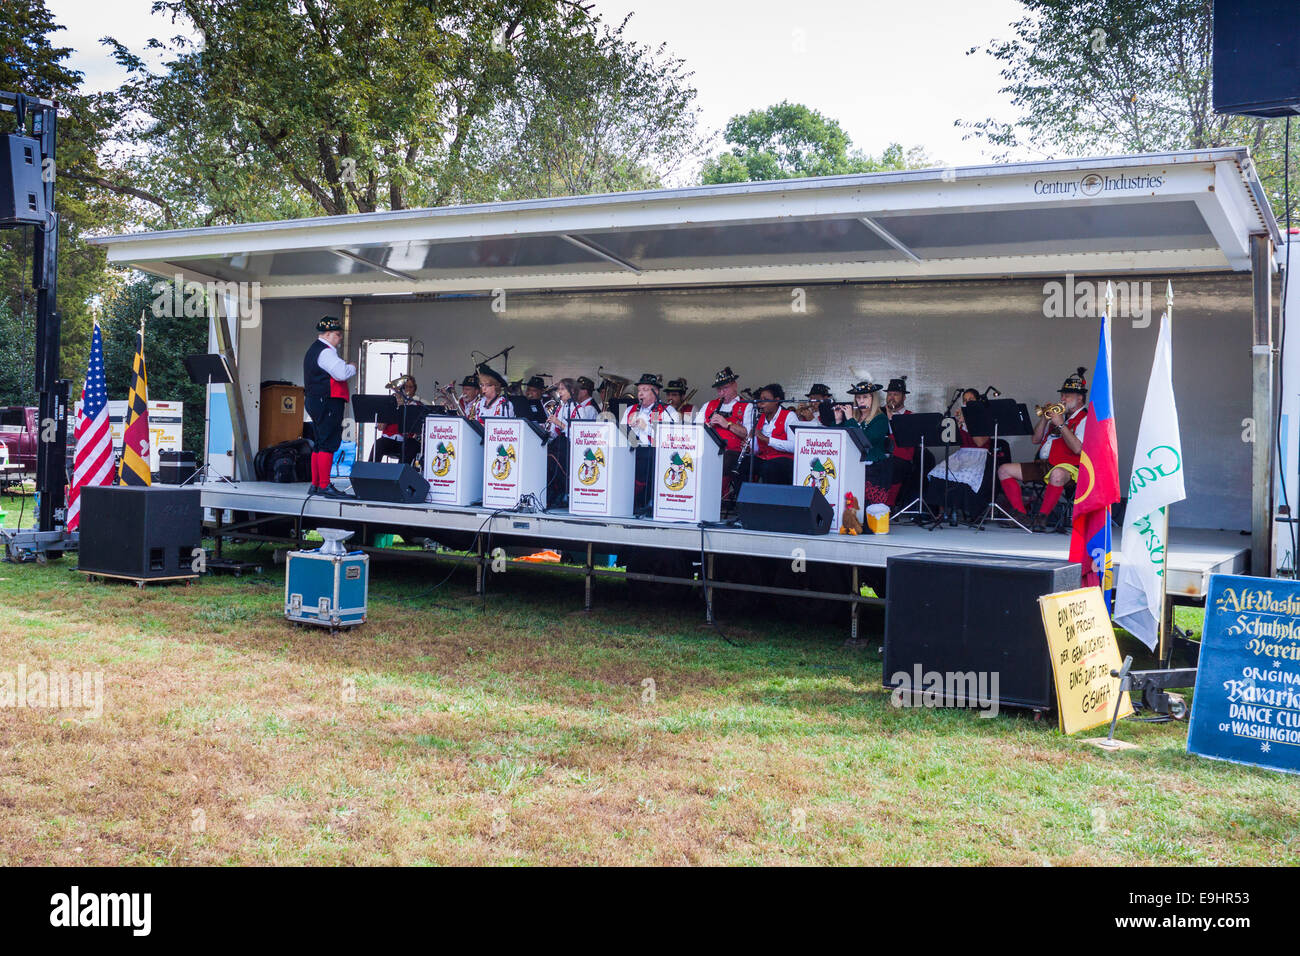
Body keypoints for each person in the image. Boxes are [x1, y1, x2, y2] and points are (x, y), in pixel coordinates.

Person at [997, 367, 1089, 530]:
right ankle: (1020, 515)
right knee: (1004, 469)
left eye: (1066, 395)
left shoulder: (1085, 418)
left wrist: (1060, 424)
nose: (1062, 399)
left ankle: (1042, 517)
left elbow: (1077, 449)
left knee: (1057, 474)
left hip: (1070, 467)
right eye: (1062, 395)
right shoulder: (1060, 416)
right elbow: (1035, 439)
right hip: (1044, 464)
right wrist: (1045, 419)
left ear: (1080, 398)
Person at [303, 316, 357, 497]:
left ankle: (316, 484)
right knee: (328, 442)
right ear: (327, 334)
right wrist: (352, 367)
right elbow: (341, 373)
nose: (340, 338)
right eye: (337, 334)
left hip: (316, 400)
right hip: (328, 400)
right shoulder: (326, 352)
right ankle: (324, 484)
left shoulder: (314, 350)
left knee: (320, 442)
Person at [924, 388, 992, 522]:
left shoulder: (985, 418)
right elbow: (953, 440)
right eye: (965, 400)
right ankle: (942, 512)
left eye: (970, 400)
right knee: (939, 471)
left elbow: (979, 442)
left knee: (967, 475)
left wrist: (967, 422)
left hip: (979, 455)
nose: (967, 403)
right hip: (963, 454)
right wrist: (956, 423)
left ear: (977, 401)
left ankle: (968, 510)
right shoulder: (962, 417)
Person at [695, 366, 754, 501]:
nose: (721, 393)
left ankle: (715, 498)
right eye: (719, 389)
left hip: (734, 453)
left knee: (724, 459)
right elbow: (695, 430)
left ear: (735, 385)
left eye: (725, 388)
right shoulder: (708, 405)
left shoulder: (747, 406)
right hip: (708, 451)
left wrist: (726, 424)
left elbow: (749, 434)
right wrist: (706, 427)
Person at [625, 373, 680, 512]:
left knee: (646, 458)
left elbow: (671, 437)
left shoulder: (668, 411)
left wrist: (645, 427)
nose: (640, 394)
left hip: (655, 452)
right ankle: (626, 499)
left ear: (656, 392)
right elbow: (620, 433)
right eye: (639, 390)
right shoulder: (629, 410)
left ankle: (646, 500)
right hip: (630, 450)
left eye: (645, 390)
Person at [836, 380, 893, 506]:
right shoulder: (855, 418)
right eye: (858, 397)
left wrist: (850, 419)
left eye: (865, 397)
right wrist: (838, 420)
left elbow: (866, 441)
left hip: (873, 469)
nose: (861, 401)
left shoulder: (880, 419)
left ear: (873, 399)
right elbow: (841, 440)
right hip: (854, 465)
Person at [372, 374, 423, 465]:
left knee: (412, 445)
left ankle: (400, 474)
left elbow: (416, 431)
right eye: (405, 387)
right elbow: (380, 427)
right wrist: (391, 409)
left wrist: (403, 408)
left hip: (405, 441)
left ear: (414, 389)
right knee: (379, 443)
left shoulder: (417, 406)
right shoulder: (390, 403)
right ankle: (370, 472)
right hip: (389, 440)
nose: (407, 389)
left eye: (410, 387)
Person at [753, 383, 795, 485]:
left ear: (776, 400)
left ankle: (771, 500)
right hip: (764, 458)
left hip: (785, 460)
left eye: (765, 399)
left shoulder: (789, 416)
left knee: (769, 467)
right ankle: (742, 498)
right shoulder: (760, 417)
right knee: (744, 464)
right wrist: (751, 445)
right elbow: (758, 449)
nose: (761, 403)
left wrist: (766, 439)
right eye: (760, 399)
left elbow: (794, 446)